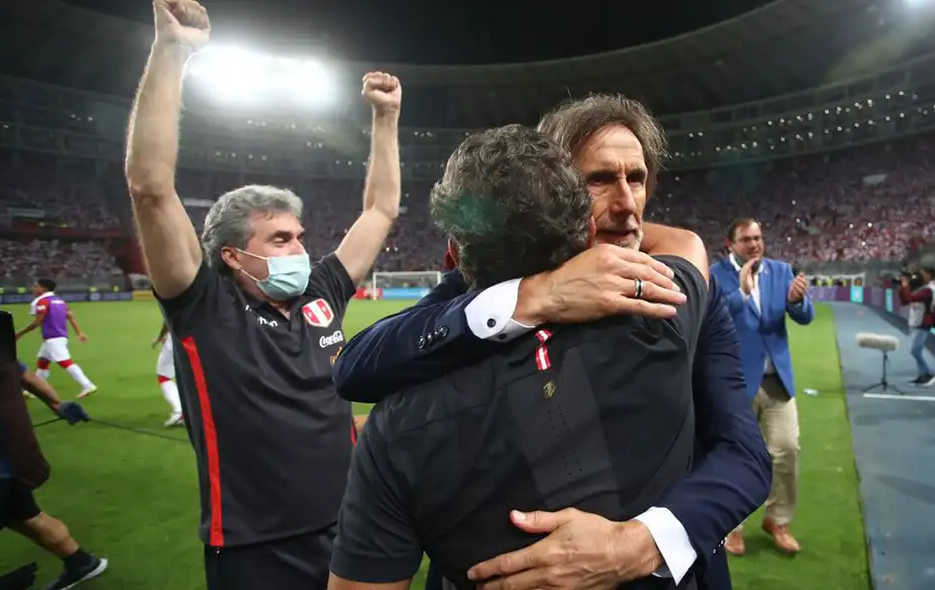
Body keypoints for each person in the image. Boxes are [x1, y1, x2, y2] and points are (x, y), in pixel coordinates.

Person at [333, 95, 770, 590]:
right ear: (555, 190)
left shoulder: (675, 292)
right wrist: (535, 296)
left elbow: (744, 454)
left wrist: (641, 542)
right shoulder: (484, 288)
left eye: (638, 178)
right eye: (601, 180)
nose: (627, 203)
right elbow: (358, 364)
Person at [124, 1, 401, 588]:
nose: (301, 249)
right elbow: (150, 188)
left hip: (352, 524)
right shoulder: (205, 305)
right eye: (280, 239)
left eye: (300, 236)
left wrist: (385, 118)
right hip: (257, 547)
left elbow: (379, 209)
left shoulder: (322, 294)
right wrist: (173, 49)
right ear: (231, 254)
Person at [710, 218, 813, 556]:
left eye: (758, 237)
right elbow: (714, 316)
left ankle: (777, 520)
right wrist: (740, 291)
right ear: (731, 244)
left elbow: (804, 316)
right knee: (734, 457)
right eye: (746, 239)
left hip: (777, 382)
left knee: (787, 450)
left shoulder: (781, 271)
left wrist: (798, 301)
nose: (754, 244)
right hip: (736, 384)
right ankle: (732, 526)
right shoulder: (715, 274)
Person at [0, 351, 104, 589]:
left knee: (27, 517)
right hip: (8, 460)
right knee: (28, 517)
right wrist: (57, 404)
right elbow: (28, 377)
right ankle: (81, 562)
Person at [14, 280, 96, 399]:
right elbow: (71, 317)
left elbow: (37, 322)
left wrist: (20, 333)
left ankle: (87, 385)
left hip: (53, 338)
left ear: (44, 288)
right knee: (43, 363)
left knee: (65, 362)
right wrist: (79, 332)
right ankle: (34, 390)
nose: (33, 288)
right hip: (58, 337)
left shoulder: (43, 301)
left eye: (36, 286)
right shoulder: (60, 301)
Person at [898, 266, 935, 388]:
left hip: (922, 323)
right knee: (916, 350)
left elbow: (910, 298)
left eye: (921, 274)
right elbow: (905, 301)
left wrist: (906, 286)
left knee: (915, 350)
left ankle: (928, 373)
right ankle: (922, 375)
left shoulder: (929, 289)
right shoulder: (923, 288)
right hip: (916, 321)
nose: (919, 277)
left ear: (929, 275)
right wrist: (903, 287)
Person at [152, 320, 183, 427]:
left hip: (176, 336)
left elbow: (168, 318)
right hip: (197, 336)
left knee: (163, 377)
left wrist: (162, 335)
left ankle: (179, 411)